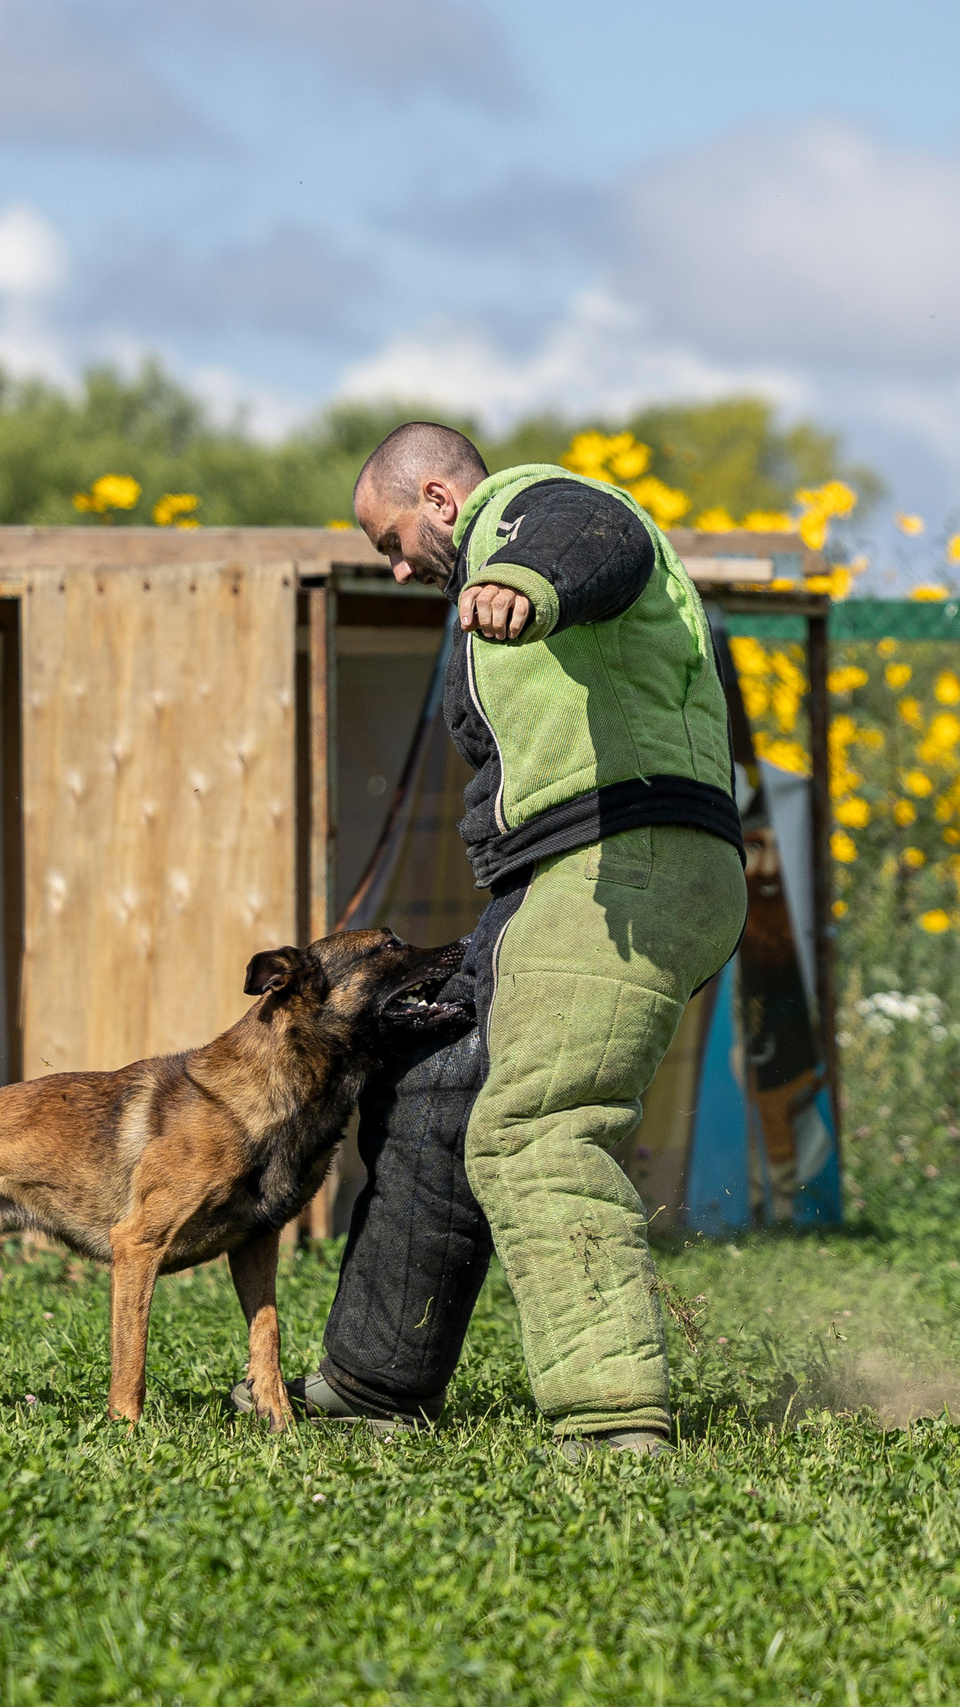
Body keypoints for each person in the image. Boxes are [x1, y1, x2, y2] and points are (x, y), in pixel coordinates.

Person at [235, 422, 748, 1457]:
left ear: (436, 497)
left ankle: (611, 1423)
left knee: (536, 1126)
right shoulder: (485, 574)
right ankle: (373, 1380)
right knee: (432, 1090)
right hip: (571, 877)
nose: (393, 564)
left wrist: (526, 579)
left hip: (625, 860)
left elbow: (598, 534)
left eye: (389, 537)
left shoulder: (525, 511)